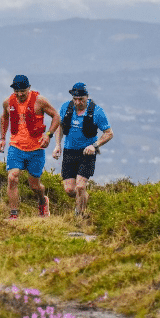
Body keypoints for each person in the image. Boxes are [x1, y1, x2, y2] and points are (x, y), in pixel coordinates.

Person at [0, 74, 60, 219]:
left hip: (36, 150)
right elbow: (4, 117)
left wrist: (48, 135)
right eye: (17, 91)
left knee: (35, 187)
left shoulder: (40, 101)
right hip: (16, 147)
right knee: (12, 177)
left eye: (23, 91)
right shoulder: (8, 102)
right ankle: (14, 215)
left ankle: (42, 201)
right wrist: (2, 138)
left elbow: (56, 116)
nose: (19, 94)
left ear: (29, 88)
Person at [52, 82, 113, 218]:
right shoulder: (66, 108)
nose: (78, 102)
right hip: (69, 152)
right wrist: (57, 145)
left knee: (80, 186)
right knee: (70, 190)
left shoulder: (97, 112)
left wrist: (95, 146)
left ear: (87, 97)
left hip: (87, 153)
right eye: (75, 99)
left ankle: (79, 217)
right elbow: (60, 126)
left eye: (81, 99)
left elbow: (109, 133)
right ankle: (84, 196)